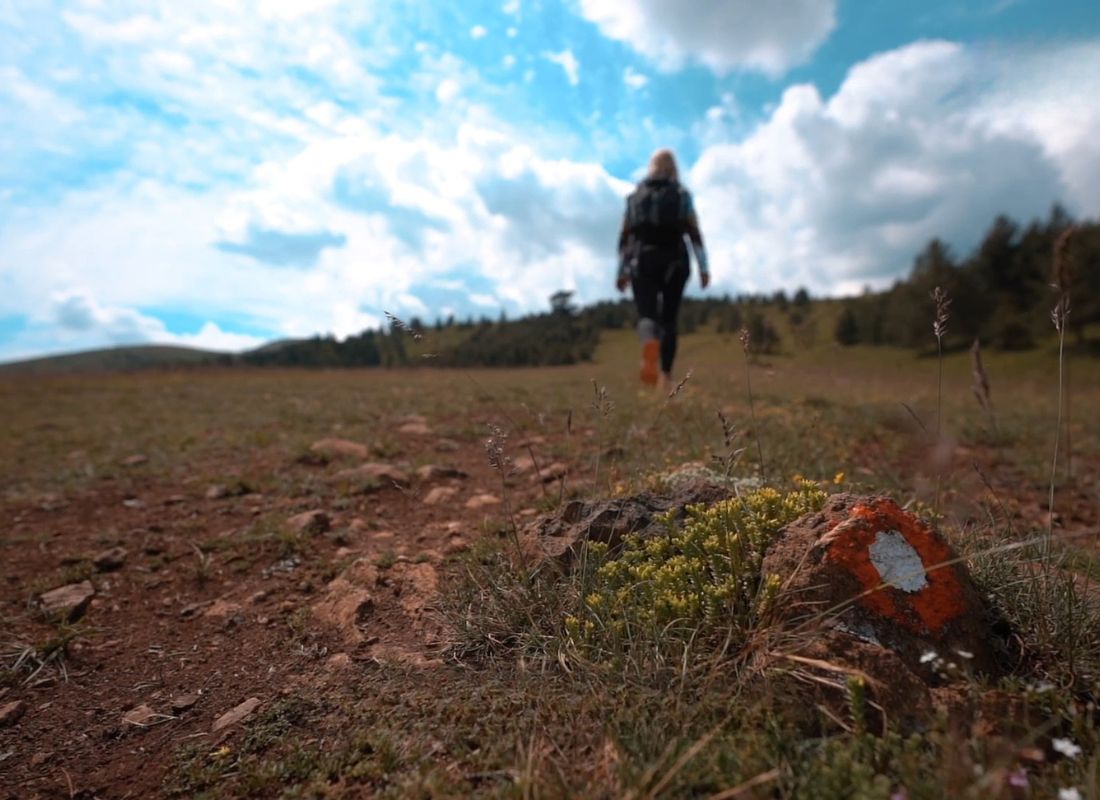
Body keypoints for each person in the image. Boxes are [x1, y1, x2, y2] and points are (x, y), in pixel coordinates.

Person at [616, 149, 710, 389]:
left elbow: (625, 238)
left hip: (641, 260)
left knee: (647, 315)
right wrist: (703, 267)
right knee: (669, 319)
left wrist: (621, 271)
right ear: (674, 167)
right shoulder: (681, 194)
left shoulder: (635, 197)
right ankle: (665, 376)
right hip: (675, 261)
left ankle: (649, 342)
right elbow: (694, 234)